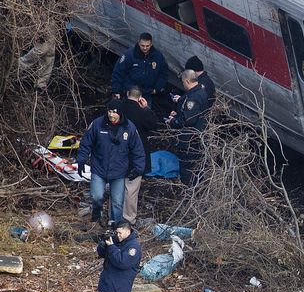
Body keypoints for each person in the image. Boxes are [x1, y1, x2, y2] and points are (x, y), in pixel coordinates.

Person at [76, 100, 146, 231]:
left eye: (114, 112)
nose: (111, 114)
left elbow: (138, 151)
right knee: (97, 196)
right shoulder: (97, 124)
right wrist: (81, 160)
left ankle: (114, 227)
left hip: (118, 171)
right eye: (109, 111)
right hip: (99, 168)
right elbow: (86, 143)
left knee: (117, 203)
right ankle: (97, 218)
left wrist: (138, 169)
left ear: (120, 113)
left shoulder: (129, 128)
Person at [120, 85, 162, 225]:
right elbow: (155, 125)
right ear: (140, 98)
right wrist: (146, 108)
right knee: (131, 190)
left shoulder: (117, 109)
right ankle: (129, 219)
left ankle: (114, 217)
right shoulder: (142, 112)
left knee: (116, 186)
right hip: (136, 156)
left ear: (127, 93)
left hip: (118, 154)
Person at [94, 220, 142, 292]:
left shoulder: (134, 247)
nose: (118, 235)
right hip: (108, 282)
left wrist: (111, 247)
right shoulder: (115, 240)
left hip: (121, 285)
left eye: (120, 233)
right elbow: (101, 253)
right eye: (117, 233)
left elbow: (122, 262)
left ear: (128, 231)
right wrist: (103, 244)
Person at [166, 69, 210, 185]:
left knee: (187, 168)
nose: (183, 85)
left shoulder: (194, 97)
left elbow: (189, 120)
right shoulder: (200, 91)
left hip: (190, 140)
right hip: (197, 137)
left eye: (183, 83)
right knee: (196, 167)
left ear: (187, 81)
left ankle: (189, 191)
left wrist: (173, 121)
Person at [110, 33, 167, 100]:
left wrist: (157, 88)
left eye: (147, 46)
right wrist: (116, 91)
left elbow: (163, 73)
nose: (145, 48)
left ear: (151, 44)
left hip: (147, 93)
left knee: (145, 110)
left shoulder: (158, 57)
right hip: (130, 93)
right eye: (142, 45)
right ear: (139, 43)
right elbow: (118, 72)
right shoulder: (130, 55)